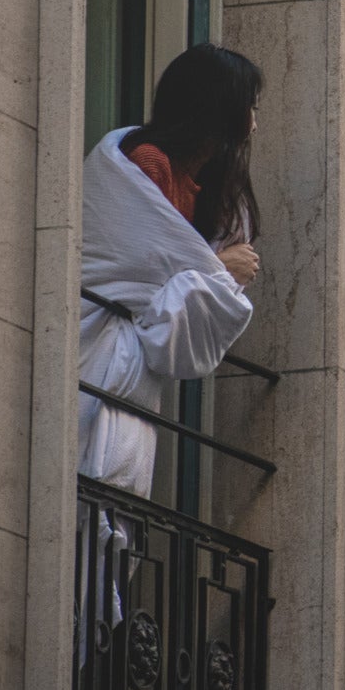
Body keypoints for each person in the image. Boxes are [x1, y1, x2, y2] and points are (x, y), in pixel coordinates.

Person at [77, 43, 266, 500]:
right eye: (249, 107)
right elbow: (140, 264)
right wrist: (219, 270)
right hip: (103, 339)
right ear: (220, 108)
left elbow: (172, 272)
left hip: (136, 361)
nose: (255, 121)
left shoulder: (202, 184)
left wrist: (207, 273)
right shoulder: (150, 162)